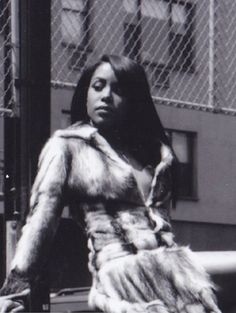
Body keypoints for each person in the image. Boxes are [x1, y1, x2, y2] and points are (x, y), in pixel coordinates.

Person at [0, 54, 221, 313]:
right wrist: (14, 292)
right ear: (86, 93)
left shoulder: (153, 156)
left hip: (176, 276)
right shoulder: (68, 147)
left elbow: (162, 229)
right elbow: (40, 222)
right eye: (98, 86)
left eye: (118, 90)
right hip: (122, 280)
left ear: (134, 101)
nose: (106, 95)